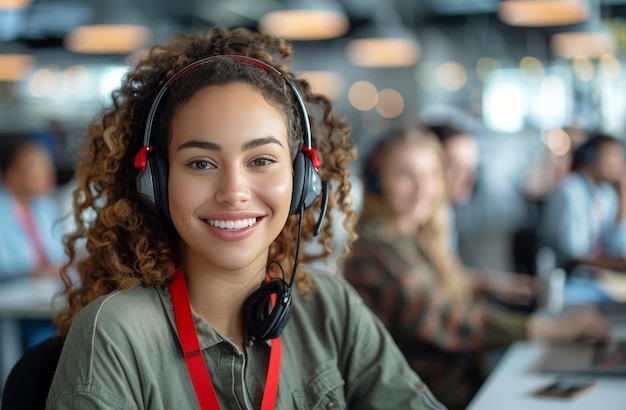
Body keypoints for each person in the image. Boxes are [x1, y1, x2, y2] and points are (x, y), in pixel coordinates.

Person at [45, 26, 445, 409]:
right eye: (201, 163)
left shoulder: (329, 307)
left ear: (302, 179)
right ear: (155, 182)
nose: (234, 191)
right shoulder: (115, 335)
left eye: (261, 160)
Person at [344, 126, 611, 410]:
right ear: (375, 181)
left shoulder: (412, 234)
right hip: (432, 394)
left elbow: (435, 285)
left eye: (431, 174)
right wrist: (548, 329)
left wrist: (492, 285)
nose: (423, 187)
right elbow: (450, 318)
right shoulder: (379, 246)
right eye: (405, 175)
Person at [0, 138, 66, 349]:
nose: (48, 174)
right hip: (13, 304)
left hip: (44, 298)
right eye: (36, 168)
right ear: (11, 176)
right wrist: (35, 271)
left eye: (48, 166)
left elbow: (59, 253)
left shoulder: (44, 206)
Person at [540, 133, 626, 272]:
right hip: (565, 273)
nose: (619, 164)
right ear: (591, 157)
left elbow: (616, 247)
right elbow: (575, 251)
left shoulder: (607, 194)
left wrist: (623, 198)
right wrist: (611, 264)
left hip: (595, 273)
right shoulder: (570, 190)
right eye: (613, 156)